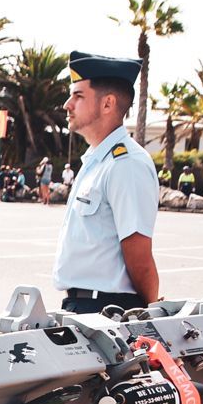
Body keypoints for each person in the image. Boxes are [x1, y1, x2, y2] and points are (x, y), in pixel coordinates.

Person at [51, 51, 160, 315]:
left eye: (78, 96)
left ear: (107, 104)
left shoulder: (126, 164)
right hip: (82, 305)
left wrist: (148, 310)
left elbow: (139, 254)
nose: (67, 104)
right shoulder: (96, 162)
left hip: (107, 309)